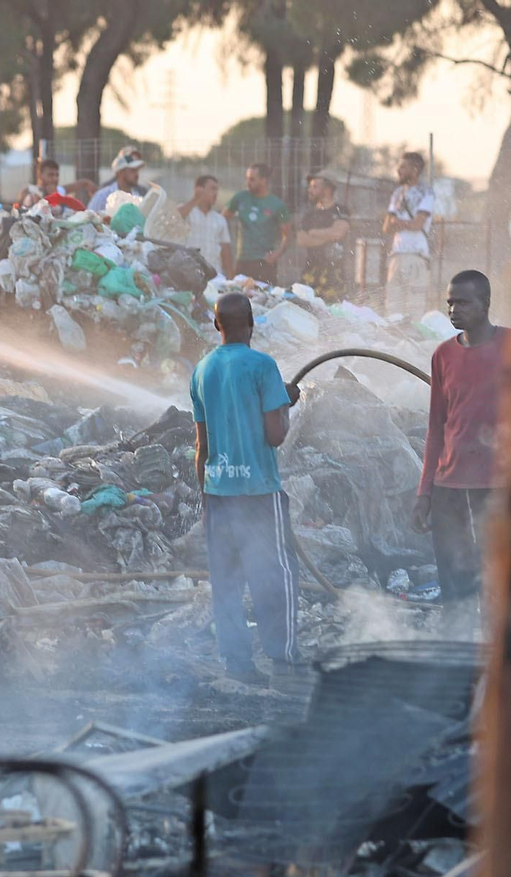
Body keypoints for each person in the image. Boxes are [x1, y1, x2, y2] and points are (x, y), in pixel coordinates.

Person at [191, 292, 303, 687]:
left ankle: (238, 665)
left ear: (217, 324)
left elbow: (201, 447)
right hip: (258, 491)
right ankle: (284, 663)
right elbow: (275, 436)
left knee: (226, 581)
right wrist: (285, 404)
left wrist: (206, 498)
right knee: (274, 575)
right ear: (252, 324)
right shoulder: (263, 366)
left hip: (219, 491)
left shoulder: (201, 370)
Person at [411, 269, 511, 617]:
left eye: (463, 302)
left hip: (496, 485)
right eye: (449, 303)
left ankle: (496, 658)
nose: (454, 310)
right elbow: (436, 429)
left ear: (486, 304)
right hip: (449, 485)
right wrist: (424, 492)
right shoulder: (443, 355)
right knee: (454, 584)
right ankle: (456, 654)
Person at [382, 150, 436, 322]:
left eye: (403, 167)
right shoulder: (397, 193)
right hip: (397, 255)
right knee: (392, 306)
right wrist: (404, 224)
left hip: (416, 255)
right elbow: (386, 227)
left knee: (414, 307)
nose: (399, 170)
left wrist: (399, 223)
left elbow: (417, 225)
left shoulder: (426, 193)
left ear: (415, 170)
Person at [224, 163, 291, 284]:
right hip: (243, 260)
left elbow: (287, 235)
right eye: (247, 178)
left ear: (263, 180)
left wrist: (277, 254)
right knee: (239, 298)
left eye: (252, 179)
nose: (247, 182)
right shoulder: (240, 198)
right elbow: (222, 220)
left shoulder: (276, 205)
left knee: (264, 298)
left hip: (264, 262)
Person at [296, 174, 350, 302]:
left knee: (333, 313)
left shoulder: (340, 210)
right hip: (310, 273)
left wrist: (313, 232)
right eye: (310, 187)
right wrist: (328, 235)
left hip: (334, 273)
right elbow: (301, 240)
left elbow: (338, 233)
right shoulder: (309, 214)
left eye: (315, 187)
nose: (310, 190)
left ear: (327, 190)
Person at [179, 174, 232, 277]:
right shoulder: (187, 211)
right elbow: (175, 218)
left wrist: (230, 277)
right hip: (189, 274)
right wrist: (196, 198)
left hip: (215, 275)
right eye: (212, 189)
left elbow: (226, 252)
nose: (216, 193)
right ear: (199, 189)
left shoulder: (220, 219)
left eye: (217, 189)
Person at [86, 146, 148, 213]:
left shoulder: (139, 196)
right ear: (120, 172)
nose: (137, 174)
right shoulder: (102, 196)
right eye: (132, 170)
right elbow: (89, 218)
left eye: (137, 170)